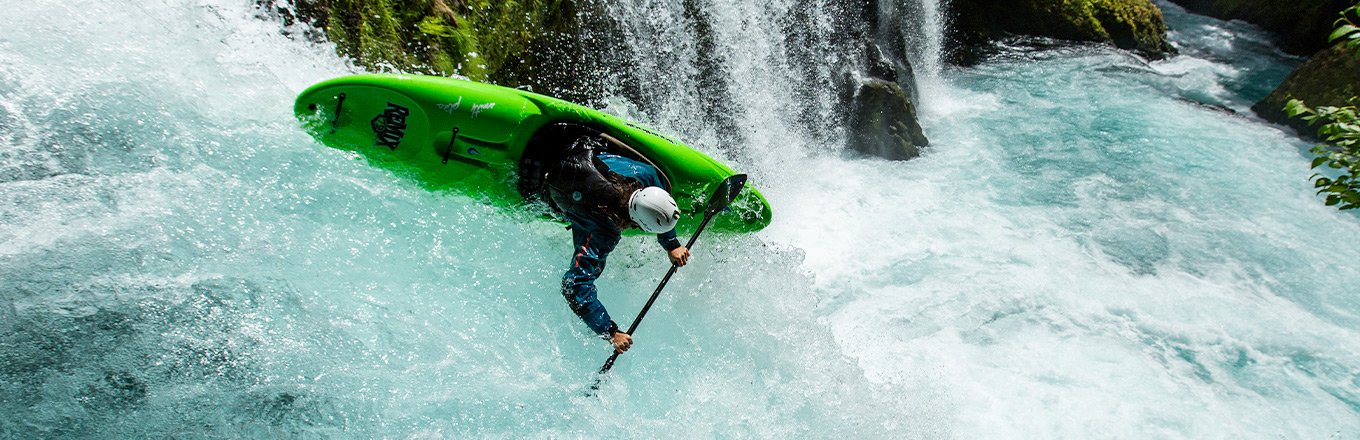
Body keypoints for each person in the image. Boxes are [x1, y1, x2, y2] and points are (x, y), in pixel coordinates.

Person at [519, 123, 690, 354]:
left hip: (565, 143)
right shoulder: (602, 233)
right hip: (540, 183)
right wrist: (610, 332)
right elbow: (574, 287)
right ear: (639, 226)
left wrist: (672, 244)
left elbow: (659, 196)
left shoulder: (646, 175)